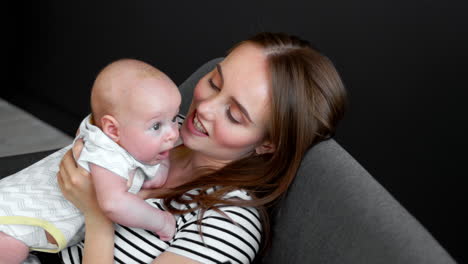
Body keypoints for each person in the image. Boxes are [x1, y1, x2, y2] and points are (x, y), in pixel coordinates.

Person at [57, 32, 347, 264]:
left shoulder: (228, 224)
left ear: (268, 143)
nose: (205, 107)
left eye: (234, 115)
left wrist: (98, 215)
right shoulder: (162, 130)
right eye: (214, 82)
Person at [0, 59, 181, 264]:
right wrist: (161, 222)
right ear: (112, 129)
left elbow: (150, 175)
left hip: (17, 210)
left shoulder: (108, 131)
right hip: (11, 221)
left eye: (174, 118)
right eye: (157, 126)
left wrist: (159, 166)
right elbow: (114, 204)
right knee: (11, 249)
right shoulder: (105, 155)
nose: (173, 134)